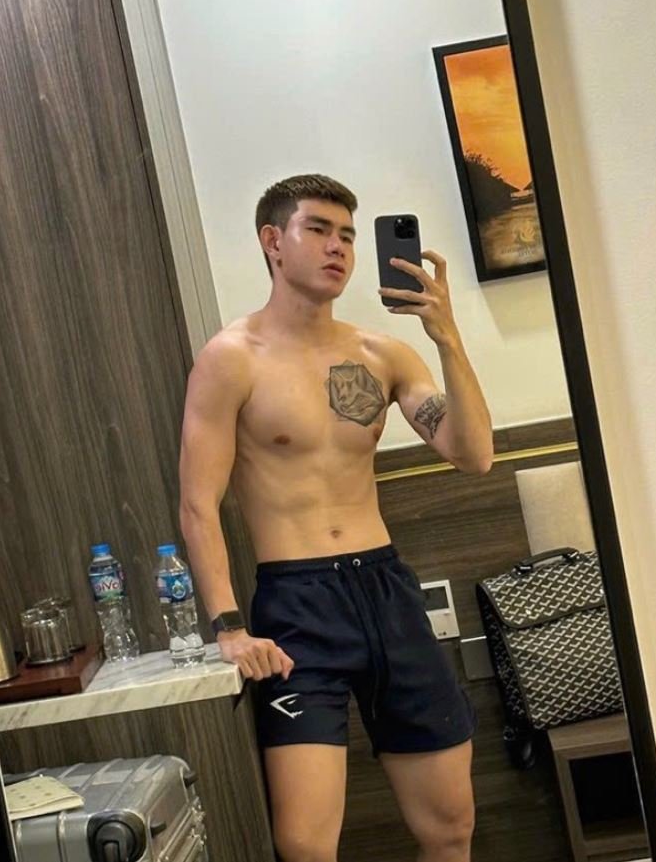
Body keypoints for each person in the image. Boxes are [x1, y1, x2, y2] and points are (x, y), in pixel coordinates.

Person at [179, 174, 493, 862]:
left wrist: (446, 337)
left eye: (347, 235)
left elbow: (473, 456)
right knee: (304, 844)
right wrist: (228, 627)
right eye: (317, 229)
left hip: (385, 590)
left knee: (450, 829)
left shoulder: (384, 354)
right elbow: (198, 503)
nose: (338, 247)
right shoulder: (231, 359)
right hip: (297, 604)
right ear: (272, 241)